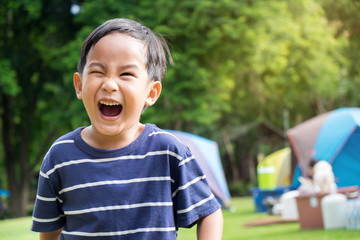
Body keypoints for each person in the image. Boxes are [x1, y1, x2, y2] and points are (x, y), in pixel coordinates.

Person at [31, 18, 223, 240]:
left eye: (126, 74)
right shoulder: (60, 157)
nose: (109, 84)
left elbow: (209, 212)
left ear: (151, 93)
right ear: (79, 85)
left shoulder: (168, 152)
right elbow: (49, 233)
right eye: (98, 72)